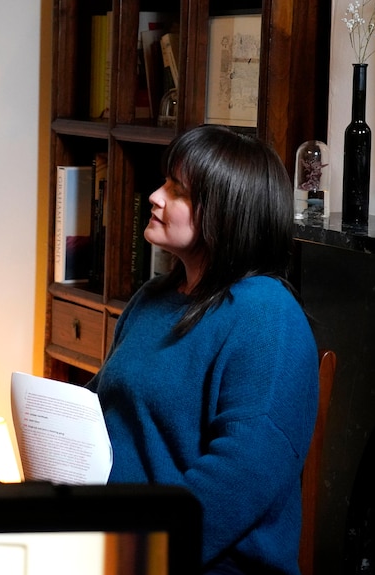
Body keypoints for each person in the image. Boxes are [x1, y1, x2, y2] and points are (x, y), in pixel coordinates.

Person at [88, 125, 318, 574]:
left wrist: (132, 553)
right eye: (165, 182)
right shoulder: (154, 297)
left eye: (179, 191)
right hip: (109, 539)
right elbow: (99, 409)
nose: (155, 196)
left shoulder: (267, 315)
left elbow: (241, 475)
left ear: (226, 214)